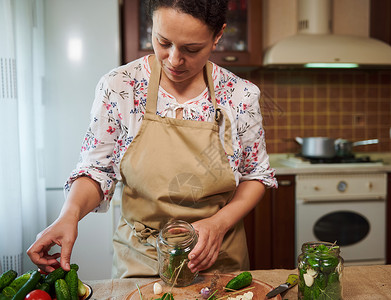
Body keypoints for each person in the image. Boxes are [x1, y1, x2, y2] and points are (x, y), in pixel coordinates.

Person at [27, 0, 277, 278]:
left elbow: (256, 175)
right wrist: (69, 215)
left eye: (191, 49)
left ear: (218, 36)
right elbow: (97, 170)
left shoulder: (240, 95)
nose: (174, 59)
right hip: (141, 258)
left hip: (216, 259)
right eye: (163, 42)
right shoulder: (120, 86)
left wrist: (219, 224)